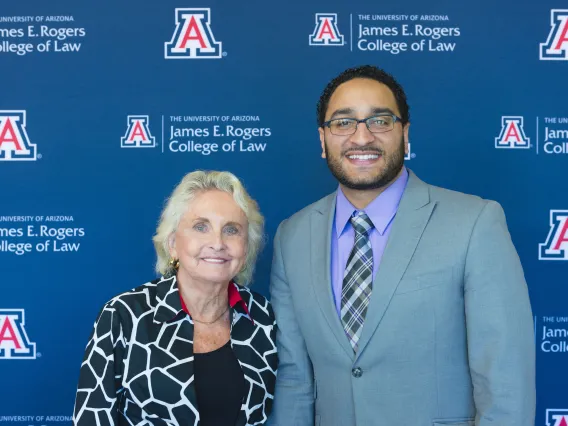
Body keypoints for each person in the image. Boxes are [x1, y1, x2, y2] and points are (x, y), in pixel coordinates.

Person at [268, 65, 535, 426]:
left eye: (380, 121)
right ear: (323, 139)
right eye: (343, 123)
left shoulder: (474, 223)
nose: (361, 137)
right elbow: (295, 381)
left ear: (405, 133)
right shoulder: (292, 236)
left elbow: (505, 384)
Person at [73, 170, 277, 426]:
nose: (217, 242)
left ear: (247, 246)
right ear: (172, 243)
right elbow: (92, 418)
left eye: (232, 230)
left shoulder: (264, 316)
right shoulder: (124, 315)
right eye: (200, 227)